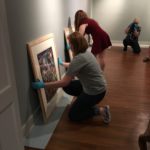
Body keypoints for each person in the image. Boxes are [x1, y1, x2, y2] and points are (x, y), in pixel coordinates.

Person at [32, 32, 111, 123]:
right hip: (98, 87)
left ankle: (101, 111)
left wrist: (43, 85)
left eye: (70, 44)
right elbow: (75, 66)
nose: (69, 46)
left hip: (95, 92)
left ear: (74, 46)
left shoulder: (78, 59)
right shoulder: (86, 53)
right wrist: (62, 64)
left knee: (73, 115)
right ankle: (84, 102)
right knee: (68, 86)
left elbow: (63, 82)